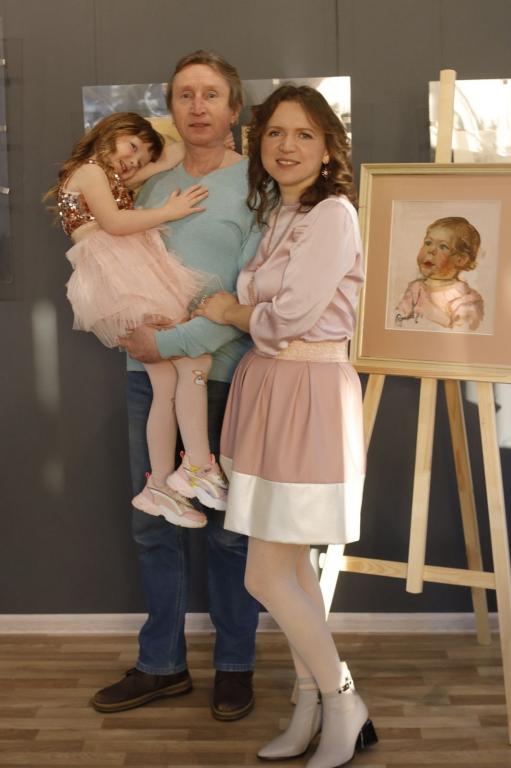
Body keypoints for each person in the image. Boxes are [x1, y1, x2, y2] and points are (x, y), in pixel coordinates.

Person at [195, 85, 377, 767]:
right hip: (270, 386)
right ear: (258, 143)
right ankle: (310, 705)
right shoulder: (280, 212)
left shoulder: (333, 215)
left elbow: (292, 312)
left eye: (303, 134)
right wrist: (251, 306)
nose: (287, 146)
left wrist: (234, 311)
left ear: (327, 147)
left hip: (307, 393)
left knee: (266, 575)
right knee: (293, 567)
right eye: (274, 133)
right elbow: (265, 299)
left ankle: (343, 700)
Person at [92, 51, 260, 721]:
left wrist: (169, 341)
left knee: (227, 532)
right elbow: (116, 263)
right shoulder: (150, 184)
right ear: (171, 108)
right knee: (153, 525)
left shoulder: (256, 185)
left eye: (210, 94)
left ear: (233, 109)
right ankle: (161, 664)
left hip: (226, 378)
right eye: (185, 94)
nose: (197, 106)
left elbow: (248, 299)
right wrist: (135, 333)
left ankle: (235, 666)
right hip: (149, 379)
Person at [49, 111, 228, 528]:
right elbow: (114, 222)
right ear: (111, 132)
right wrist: (170, 210)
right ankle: (198, 465)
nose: (134, 161)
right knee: (194, 361)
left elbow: (172, 156)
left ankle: (160, 485)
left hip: (124, 271)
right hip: (120, 275)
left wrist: (180, 135)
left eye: (140, 156)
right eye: (131, 146)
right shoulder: (91, 171)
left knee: (166, 381)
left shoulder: (111, 174)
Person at [395, 216, 484, 331]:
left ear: (460, 260)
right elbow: (398, 319)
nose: (431, 250)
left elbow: (465, 332)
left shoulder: (465, 298)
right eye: (428, 243)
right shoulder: (416, 288)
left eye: (443, 246)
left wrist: (432, 314)